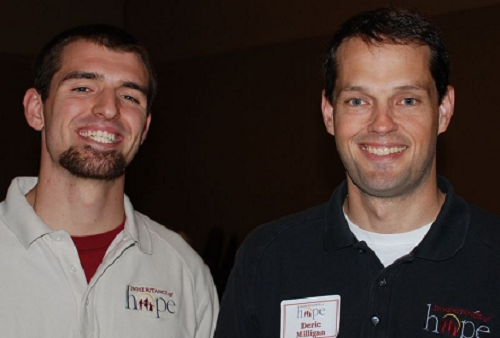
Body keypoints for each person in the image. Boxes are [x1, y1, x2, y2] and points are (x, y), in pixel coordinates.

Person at [215, 7, 500, 338]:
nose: (381, 124)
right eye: (357, 101)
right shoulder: (268, 259)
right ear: (328, 113)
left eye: (407, 100)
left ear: (444, 110)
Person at [0, 24, 218, 337]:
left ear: (143, 130)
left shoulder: (184, 272)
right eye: (82, 88)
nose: (108, 108)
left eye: (129, 96)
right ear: (37, 110)